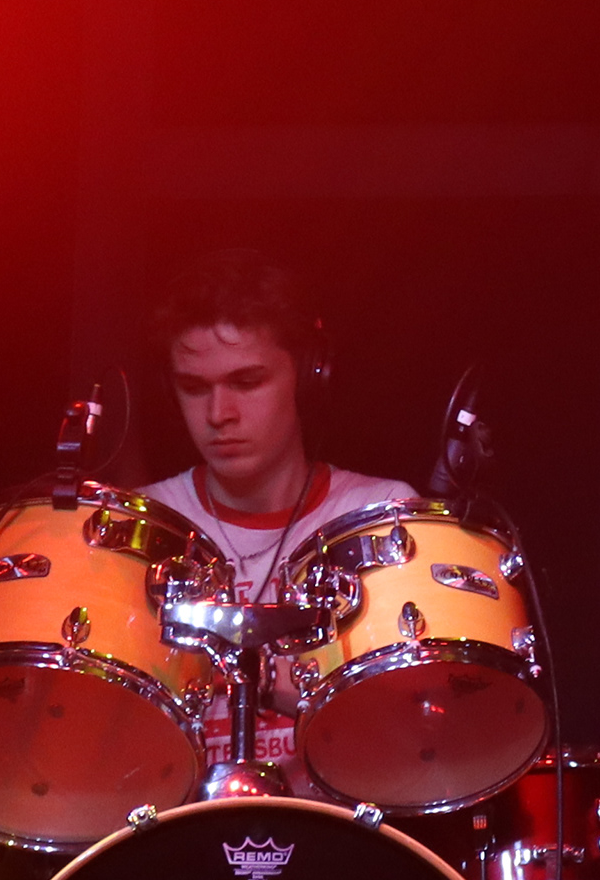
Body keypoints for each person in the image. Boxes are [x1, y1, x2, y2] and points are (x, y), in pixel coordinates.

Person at [135, 248, 417, 789]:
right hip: (176, 831)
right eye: (194, 388)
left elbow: (422, 735)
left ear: (306, 377)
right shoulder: (144, 526)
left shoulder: (380, 516)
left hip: (336, 830)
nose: (219, 414)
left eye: (246, 382)